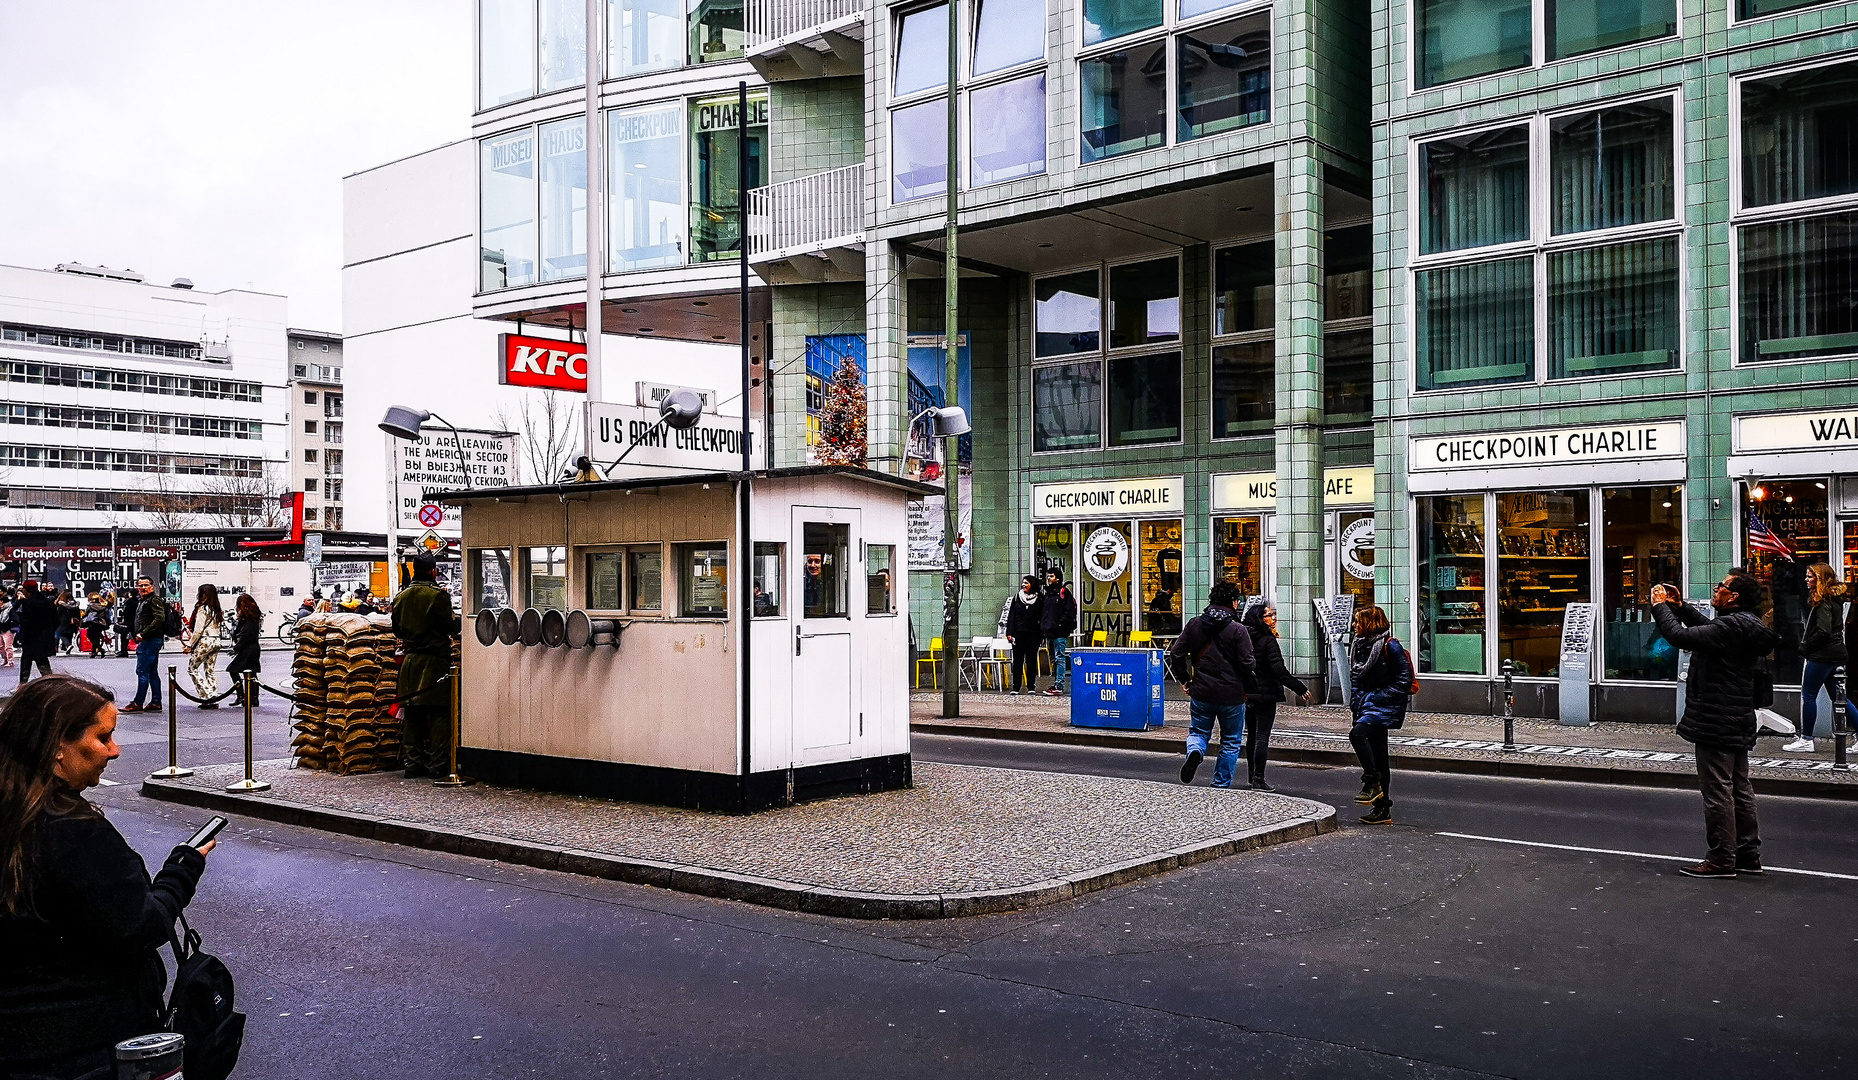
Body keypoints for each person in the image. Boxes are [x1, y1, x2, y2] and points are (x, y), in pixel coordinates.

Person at [0, 674, 215, 1078]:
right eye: (103, 738)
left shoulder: (18, 812)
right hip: (83, 1045)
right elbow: (140, 924)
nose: (115, 751)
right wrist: (181, 870)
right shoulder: (71, 830)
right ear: (56, 746)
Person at [1651, 570, 1780, 878]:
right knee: (1739, 787)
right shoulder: (1746, 624)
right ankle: (1748, 855)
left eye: (1722, 586)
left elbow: (1679, 637)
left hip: (1716, 717)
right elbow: (1709, 632)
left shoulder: (1731, 627)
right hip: (1737, 716)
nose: (1716, 588)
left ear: (1733, 597)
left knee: (1717, 790)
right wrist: (1681, 607)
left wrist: (1660, 607)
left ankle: (1721, 858)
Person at [1167, 581, 1258, 788]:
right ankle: (1220, 784)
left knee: (1198, 732)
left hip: (1201, 692)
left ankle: (1196, 752)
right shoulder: (1238, 630)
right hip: (1232, 695)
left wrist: (1185, 680)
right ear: (1233, 602)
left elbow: (1176, 653)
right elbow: (1247, 663)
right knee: (1230, 741)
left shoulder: (1194, 624)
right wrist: (1248, 685)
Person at [392, 553, 460, 780]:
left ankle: (412, 765)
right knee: (438, 714)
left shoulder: (402, 597)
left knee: (412, 715)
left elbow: (397, 631)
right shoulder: (437, 596)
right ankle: (438, 766)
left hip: (410, 663)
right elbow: (452, 626)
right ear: (433, 571)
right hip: (434, 663)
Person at [1347, 604, 1412, 825]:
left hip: (1381, 704)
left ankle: (1371, 781)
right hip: (1366, 705)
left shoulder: (1390, 646)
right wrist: (1357, 701)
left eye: (1359, 622)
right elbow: (1355, 678)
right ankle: (1383, 810)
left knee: (1357, 735)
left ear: (1370, 624)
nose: (1355, 626)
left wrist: (1373, 699)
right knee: (1379, 756)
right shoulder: (1359, 645)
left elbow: (1403, 681)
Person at [1240, 601, 1313, 791]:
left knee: (1251, 736)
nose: (1274, 619)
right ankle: (1258, 778)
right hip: (1266, 694)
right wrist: (1299, 688)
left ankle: (1250, 776)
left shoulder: (1243, 637)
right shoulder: (1267, 640)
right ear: (1260, 619)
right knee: (1262, 736)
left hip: (1248, 693)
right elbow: (1278, 670)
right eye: (1270, 615)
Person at [1786, 562, 1858, 753]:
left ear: (1820, 579)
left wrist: (1806, 646)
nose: (1806, 579)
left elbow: (1823, 632)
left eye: (1810, 577)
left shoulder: (1824, 602)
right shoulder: (1833, 599)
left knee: (1809, 695)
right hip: (1836, 655)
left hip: (1822, 655)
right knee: (1839, 698)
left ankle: (1806, 739)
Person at [121, 578, 167, 713]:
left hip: (150, 640)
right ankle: (155, 701)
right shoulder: (144, 601)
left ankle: (138, 702)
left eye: (146, 585)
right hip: (151, 639)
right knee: (152, 672)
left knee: (142, 671)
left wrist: (143, 633)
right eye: (140, 585)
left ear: (152, 587)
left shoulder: (154, 600)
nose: (143, 588)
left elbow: (159, 618)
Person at [184, 584, 226, 709]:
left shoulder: (203, 609)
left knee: (192, 668)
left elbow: (198, 630)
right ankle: (214, 694)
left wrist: (190, 645)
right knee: (210, 669)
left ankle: (207, 695)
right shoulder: (217, 609)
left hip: (205, 640)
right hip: (216, 640)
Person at [1039, 568, 1077, 696]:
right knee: (1054, 659)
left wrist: (1059, 624)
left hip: (1059, 632)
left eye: (1051, 576)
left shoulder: (1063, 592)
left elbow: (1069, 611)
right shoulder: (1048, 594)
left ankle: (1059, 685)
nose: (1049, 578)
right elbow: (1046, 614)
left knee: (1060, 657)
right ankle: (1056, 683)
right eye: (1048, 576)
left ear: (1058, 578)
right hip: (1050, 632)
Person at [1004, 576, 1044, 695]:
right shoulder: (1017, 598)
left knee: (1031, 661)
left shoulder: (1040, 599)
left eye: (1026, 583)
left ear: (1032, 584)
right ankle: (1016, 687)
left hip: (1033, 634)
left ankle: (1031, 686)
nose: (1023, 585)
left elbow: (1042, 617)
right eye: (1023, 583)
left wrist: (1042, 634)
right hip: (1018, 634)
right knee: (1018, 661)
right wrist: (1009, 632)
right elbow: (1011, 616)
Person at [14, 582, 59, 687]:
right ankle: (50, 683)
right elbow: (56, 620)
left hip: (31, 637)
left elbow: (24, 620)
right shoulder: (48, 602)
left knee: (27, 661)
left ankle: (22, 684)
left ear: (27, 590)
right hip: (45, 637)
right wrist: (49, 631)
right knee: (42, 660)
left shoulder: (28, 603)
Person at [224, 594, 263, 708]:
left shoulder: (249, 619)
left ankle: (242, 696)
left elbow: (246, 635)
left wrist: (236, 648)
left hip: (248, 649)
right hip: (253, 648)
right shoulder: (252, 617)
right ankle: (253, 698)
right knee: (252, 673)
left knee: (233, 670)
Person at [53, 591, 80, 656]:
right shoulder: (75, 605)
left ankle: (68, 645)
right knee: (69, 635)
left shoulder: (61, 605)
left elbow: (58, 614)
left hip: (62, 621)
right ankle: (68, 648)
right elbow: (78, 614)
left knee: (61, 634)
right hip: (72, 622)